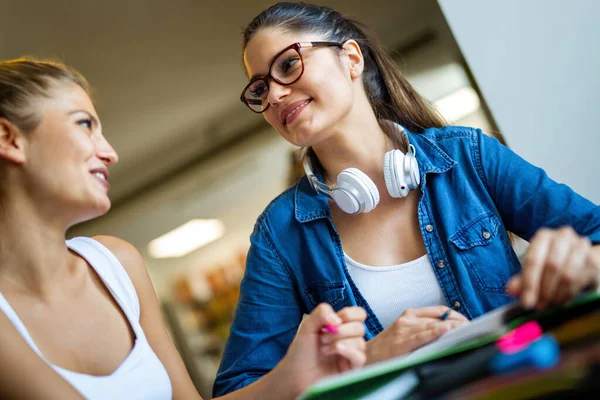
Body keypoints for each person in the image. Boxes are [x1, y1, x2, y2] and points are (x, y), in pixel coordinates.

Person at [213, 1, 600, 396]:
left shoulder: (468, 156)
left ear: (350, 58)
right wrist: (360, 360)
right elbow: (234, 391)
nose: (275, 95)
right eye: (260, 88)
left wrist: (584, 263)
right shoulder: (280, 233)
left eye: (288, 65)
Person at [0, 57, 368, 400]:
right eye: (84, 124)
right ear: (9, 138)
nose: (109, 152)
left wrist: (293, 374)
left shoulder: (116, 265)